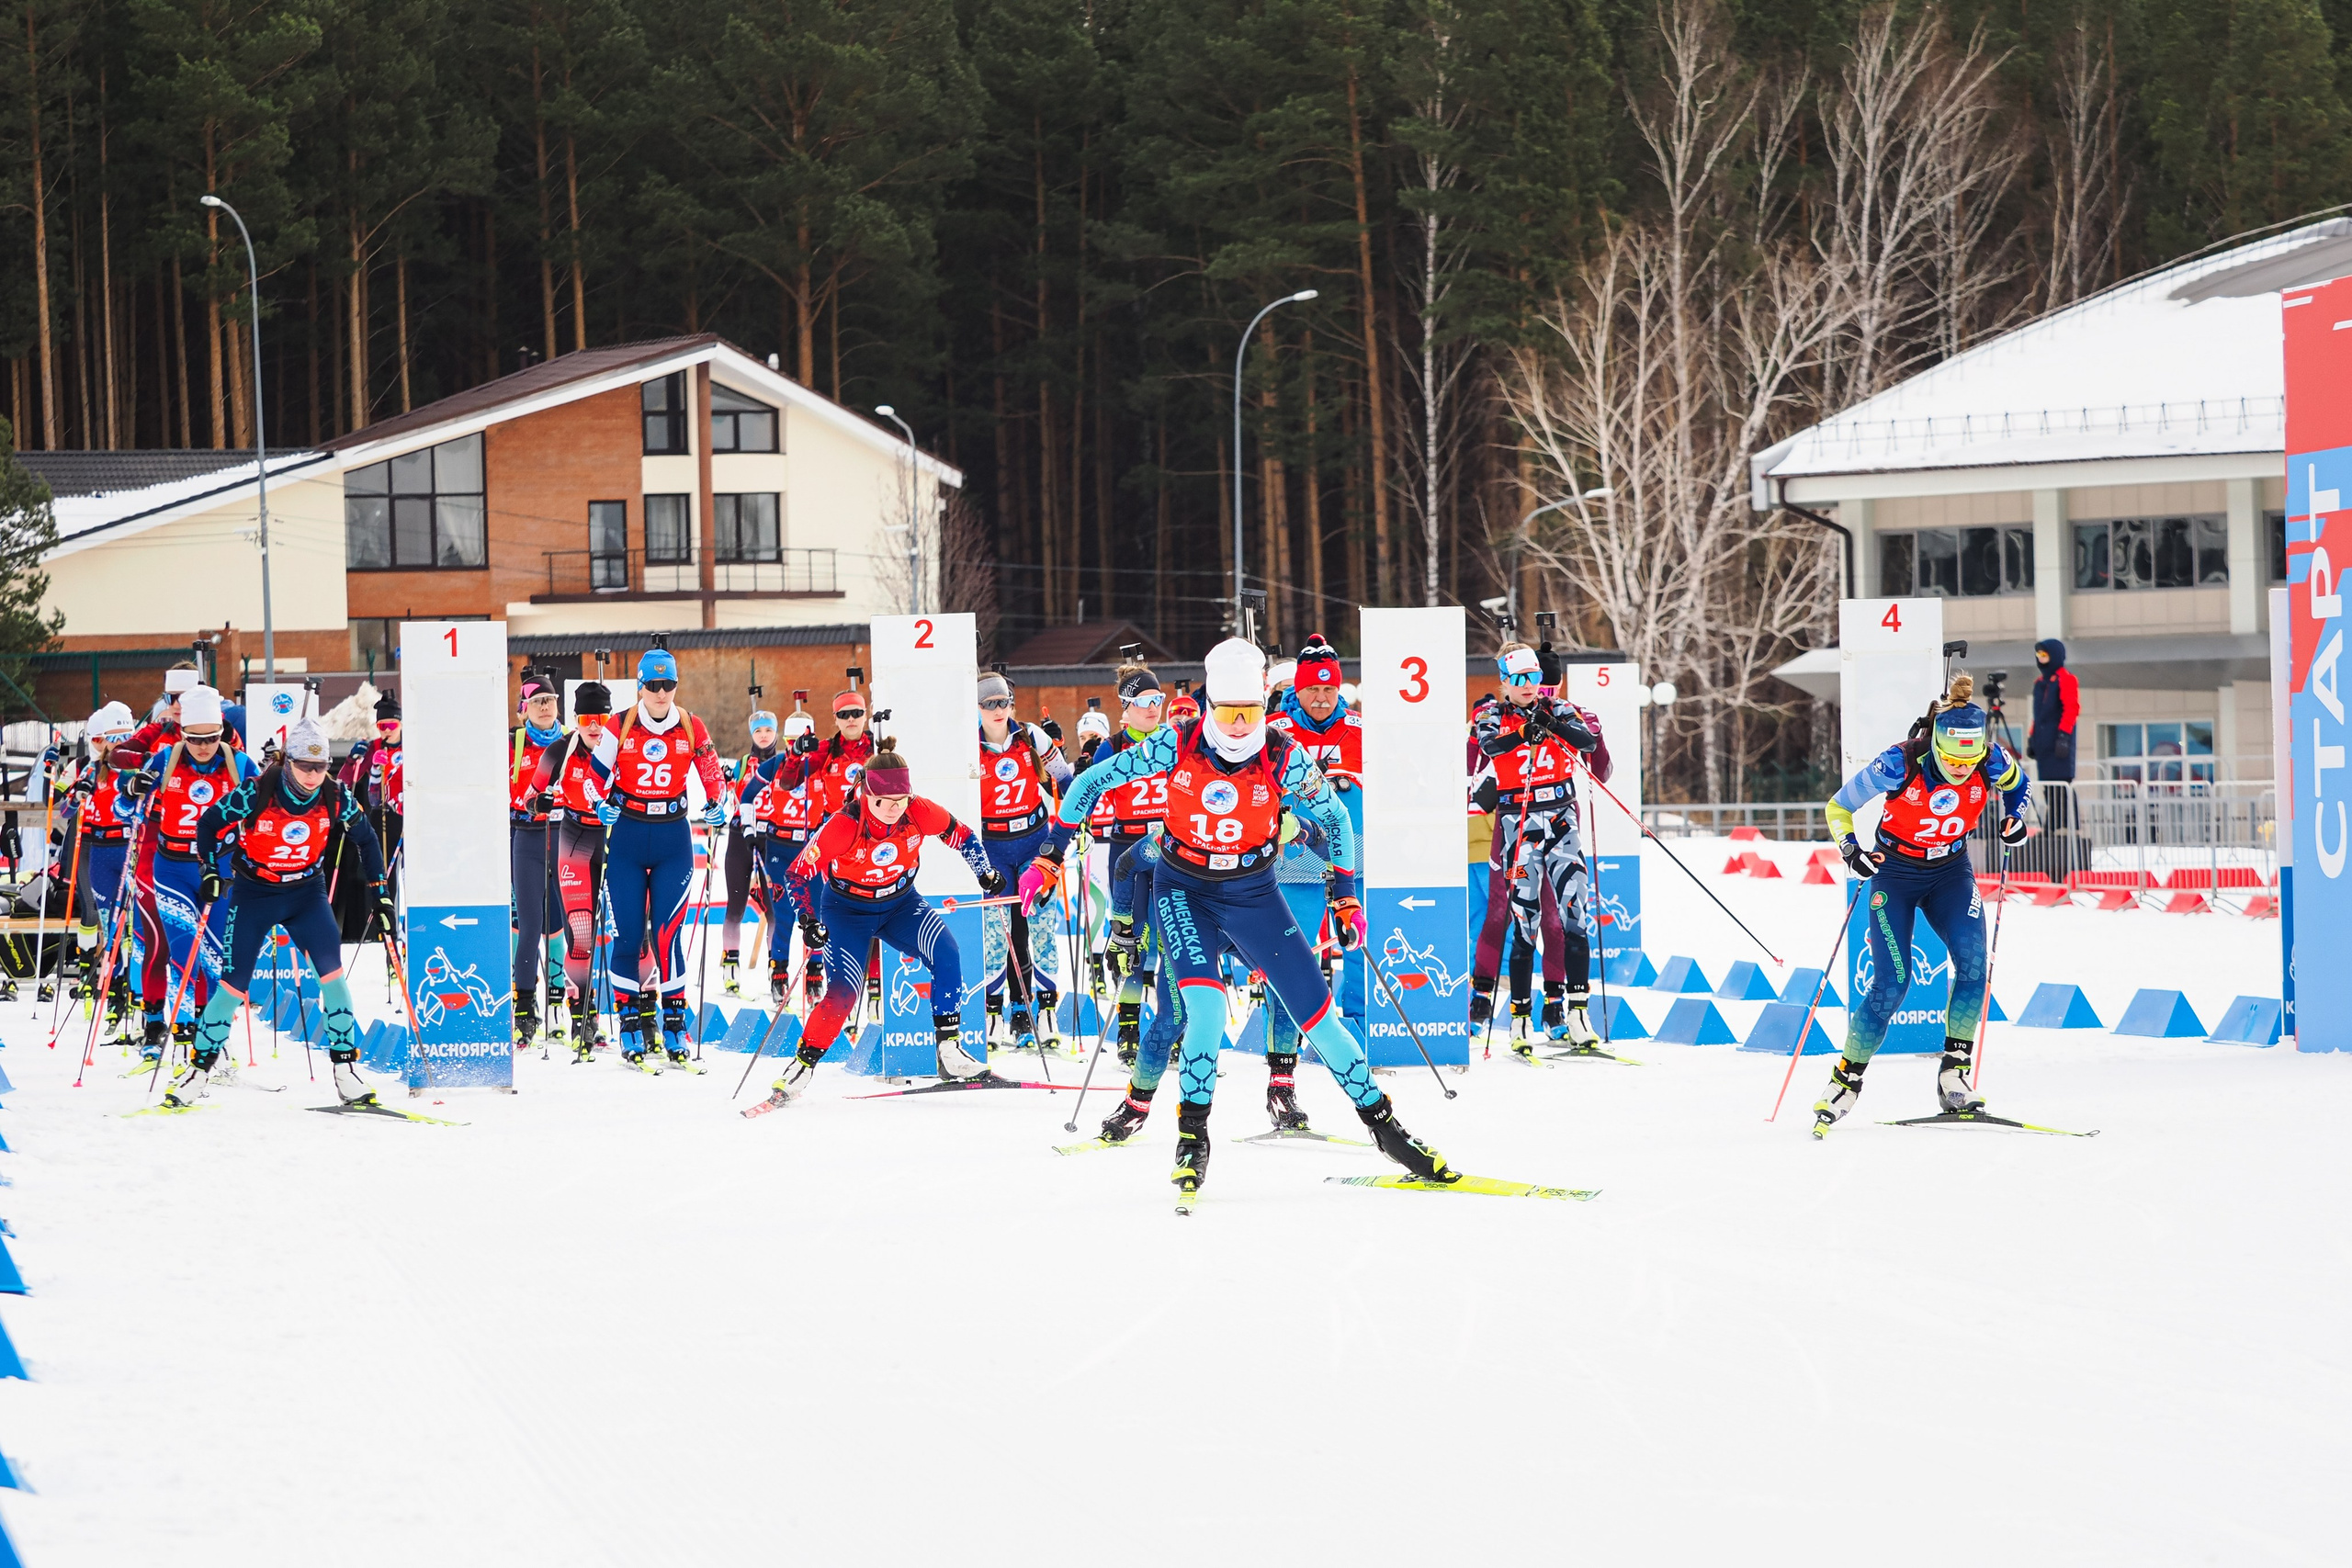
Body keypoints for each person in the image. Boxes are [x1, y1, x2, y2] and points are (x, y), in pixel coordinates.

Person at [1058, 638, 1453, 1201]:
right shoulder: (1177, 742)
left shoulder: (1282, 753)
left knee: (1319, 1014)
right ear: (1211, 704)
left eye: (1252, 710)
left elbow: (1336, 818)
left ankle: (1386, 1128)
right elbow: (1089, 784)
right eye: (1229, 711)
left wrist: (1343, 895)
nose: (1241, 724)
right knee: (1205, 1009)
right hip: (1184, 889)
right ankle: (1192, 1138)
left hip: (1254, 891)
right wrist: (1052, 854)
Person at [1813, 674, 2030, 1135]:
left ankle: (1954, 1074)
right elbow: (1837, 808)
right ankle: (1845, 1081)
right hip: (1896, 874)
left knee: (1974, 968)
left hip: (1951, 872)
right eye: (1951, 759)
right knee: (1893, 982)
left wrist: (2015, 818)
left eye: (1968, 761)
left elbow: (2019, 786)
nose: (1960, 768)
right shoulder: (1900, 762)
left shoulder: (1989, 758)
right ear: (1935, 744)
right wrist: (1852, 851)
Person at [752, 739, 1003, 1106]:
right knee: (844, 992)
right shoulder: (843, 825)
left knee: (947, 951)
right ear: (865, 793)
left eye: (899, 801)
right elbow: (797, 873)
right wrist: (807, 920)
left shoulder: (919, 811)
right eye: (882, 802)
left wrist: (985, 873)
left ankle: (949, 1051)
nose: (891, 810)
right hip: (847, 910)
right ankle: (802, 1066)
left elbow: (963, 836)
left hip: (900, 904)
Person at [171, 720, 390, 1109]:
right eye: (305, 765)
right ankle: (198, 1072)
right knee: (233, 986)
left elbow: (367, 839)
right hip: (255, 892)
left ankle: (345, 1072)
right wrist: (208, 870)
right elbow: (208, 824)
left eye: (320, 767)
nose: (312, 775)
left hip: (306, 892)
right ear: (288, 762)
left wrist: (381, 894)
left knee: (333, 977)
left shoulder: (336, 796)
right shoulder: (256, 792)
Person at [587, 648, 729, 1069]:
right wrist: (600, 805)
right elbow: (595, 778)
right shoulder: (621, 723)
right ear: (640, 686)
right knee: (629, 936)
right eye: (653, 685)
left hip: (673, 838)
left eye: (668, 685)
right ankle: (630, 1023)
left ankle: (674, 1026)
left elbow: (712, 775)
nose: (661, 693)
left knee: (668, 936)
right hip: (629, 836)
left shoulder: (691, 724)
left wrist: (719, 803)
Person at [1468, 645, 1611, 1053]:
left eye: (1532, 676)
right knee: (1524, 919)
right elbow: (1490, 747)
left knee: (1573, 914)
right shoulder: (1492, 714)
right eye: (1517, 679)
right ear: (1504, 681)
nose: (1527, 686)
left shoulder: (1560, 708)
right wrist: (1521, 734)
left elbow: (1585, 741)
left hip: (1563, 820)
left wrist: (1550, 722)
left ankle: (1577, 1012)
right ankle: (1518, 1019)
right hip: (1521, 822)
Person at [117, 685, 259, 1065]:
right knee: (182, 956)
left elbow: (265, 811)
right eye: (195, 738)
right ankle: (180, 1040)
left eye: (211, 738)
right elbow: (121, 803)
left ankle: (212, 1038)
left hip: (222, 868)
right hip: (172, 868)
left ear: (221, 732)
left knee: (217, 960)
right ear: (183, 734)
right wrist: (132, 787)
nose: (203, 746)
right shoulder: (165, 759)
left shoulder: (239, 764)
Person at [1263, 634, 1366, 1129]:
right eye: (1312, 691)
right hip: (1293, 858)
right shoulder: (1276, 730)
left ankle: (1360, 1056)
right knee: (1293, 965)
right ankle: (1281, 1082)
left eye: (1329, 690)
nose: (1322, 698)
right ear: (1298, 691)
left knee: (1358, 956)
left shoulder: (1362, 728)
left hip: (1350, 857)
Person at [975, 671, 1076, 1052]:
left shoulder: (1031, 736)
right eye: (989, 704)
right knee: (996, 935)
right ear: (978, 709)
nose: (998, 710)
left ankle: (1046, 1012)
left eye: (1003, 702)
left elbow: (1066, 779)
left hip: (1034, 842)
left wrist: (1077, 819)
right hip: (993, 846)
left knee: (1043, 928)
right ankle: (992, 1015)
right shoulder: (969, 745)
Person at [526, 680, 615, 1061]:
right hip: (575, 838)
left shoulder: (621, 749)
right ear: (575, 720)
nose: (595, 726)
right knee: (580, 930)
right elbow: (531, 797)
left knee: (633, 930)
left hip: (616, 838)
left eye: (602, 718)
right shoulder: (560, 750)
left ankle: (642, 1018)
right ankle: (582, 1017)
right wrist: (541, 800)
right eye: (586, 718)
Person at [1091, 665, 1170, 1066]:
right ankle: (1128, 1031)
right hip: (1127, 848)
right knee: (1131, 942)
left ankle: (1171, 1028)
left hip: (1171, 846)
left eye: (1158, 699)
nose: (1154, 708)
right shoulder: (1113, 746)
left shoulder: (1173, 740)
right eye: (1145, 701)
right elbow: (1087, 788)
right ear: (1127, 706)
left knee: (1170, 942)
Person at [65, 704, 140, 1031]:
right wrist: (76, 796)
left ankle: (134, 996)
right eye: (114, 738)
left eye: (127, 737)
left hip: (127, 849)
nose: (120, 744)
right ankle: (113, 994)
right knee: (109, 926)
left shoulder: (135, 770)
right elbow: (66, 811)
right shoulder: (90, 770)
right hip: (97, 850)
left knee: (133, 926)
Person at [741, 711, 821, 1005]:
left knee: (816, 913)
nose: (794, 746)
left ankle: (815, 973)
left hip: (812, 849)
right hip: (780, 848)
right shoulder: (775, 764)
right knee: (784, 915)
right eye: (789, 740)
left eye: (800, 740)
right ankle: (779, 974)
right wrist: (750, 828)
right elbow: (747, 796)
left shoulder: (819, 766)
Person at [508, 670, 568, 1043]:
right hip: (527, 839)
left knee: (562, 926)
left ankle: (562, 1002)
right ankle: (524, 1008)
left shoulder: (571, 741)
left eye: (550, 701)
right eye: (537, 702)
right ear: (524, 709)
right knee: (529, 926)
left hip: (567, 838)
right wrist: (529, 802)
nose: (545, 708)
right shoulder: (513, 744)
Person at [720, 708, 783, 996]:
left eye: (768, 730)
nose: (763, 736)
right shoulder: (744, 763)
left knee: (774, 911)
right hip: (740, 838)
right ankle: (730, 966)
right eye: (758, 731)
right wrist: (724, 781)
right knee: (735, 907)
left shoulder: (786, 763)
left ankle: (776, 971)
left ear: (776, 733)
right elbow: (726, 794)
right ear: (752, 735)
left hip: (772, 838)